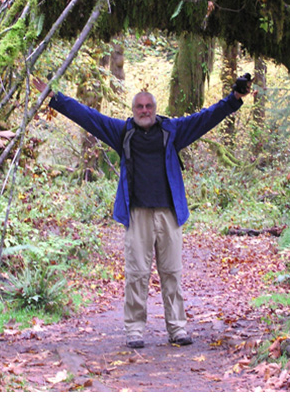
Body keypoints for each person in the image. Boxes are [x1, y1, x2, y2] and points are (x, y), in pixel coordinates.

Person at [36, 73, 252, 348]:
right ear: (133, 110)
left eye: (148, 106)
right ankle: (135, 331)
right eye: (139, 107)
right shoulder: (122, 132)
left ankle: (177, 329)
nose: (144, 111)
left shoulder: (172, 131)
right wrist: (55, 98)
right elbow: (88, 116)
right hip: (137, 214)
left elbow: (205, 118)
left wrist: (234, 99)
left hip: (169, 214)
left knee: (172, 272)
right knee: (137, 273)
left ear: (155, 109)